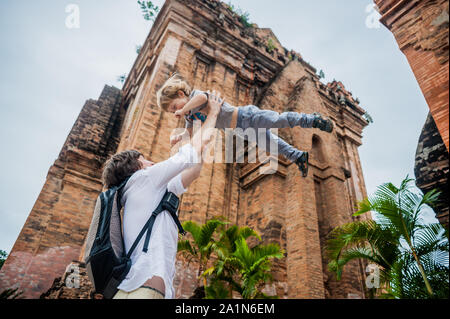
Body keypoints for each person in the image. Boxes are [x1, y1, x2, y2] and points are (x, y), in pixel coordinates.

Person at [101, 91, 225, 299]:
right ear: (137, 167)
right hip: (144, 289)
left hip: (130, 288)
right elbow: (191, 153)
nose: (152, 163)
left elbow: (192, 171)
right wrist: (213, 113)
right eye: (146, 160)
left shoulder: (141, 192)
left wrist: (193, 133)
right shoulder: (143, 179)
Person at [156, 74, 334, 177]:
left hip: (247, 116)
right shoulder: (190, 116)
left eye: (174, 107)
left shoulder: (194, 97)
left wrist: (184, 108)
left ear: (181, 94)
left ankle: (311, 120)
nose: (175, 112)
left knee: (277, 120)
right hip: (241, 130)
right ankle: (298, 156)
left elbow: (203, 98)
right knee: (270, 144)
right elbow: (190, 129)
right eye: (172, 112)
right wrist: (180, 136)